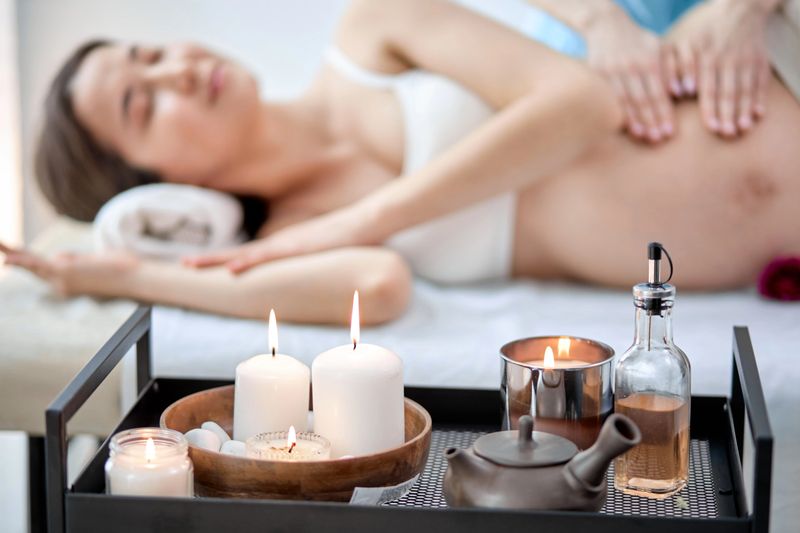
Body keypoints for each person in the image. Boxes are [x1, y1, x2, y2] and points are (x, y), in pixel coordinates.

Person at [2, 0, 799, 325]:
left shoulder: (370, 36)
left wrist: (374, 213)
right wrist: (121, 272)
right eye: (141, 104)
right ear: (154, 187)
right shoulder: (292, 235)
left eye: (149, 53)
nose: (174, 69)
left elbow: (580, 103)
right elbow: (379, 290)